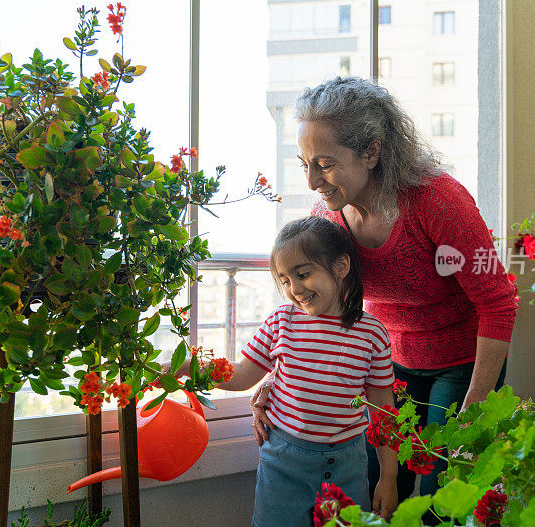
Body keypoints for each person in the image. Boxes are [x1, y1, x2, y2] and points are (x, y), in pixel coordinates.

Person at [250, 77, 518, 522]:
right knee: (379, 496)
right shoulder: (327, 215)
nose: (313, 180)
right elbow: (318, 309)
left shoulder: (439, 203)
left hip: (461, 361)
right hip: (386, 364)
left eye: (325, 163)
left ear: (371, 152)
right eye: (304, 164)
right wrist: (276, 378)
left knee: (438, 501)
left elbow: (498, 303)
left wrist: (474, 409)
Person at [171, 216, 399, 526]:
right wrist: (187, 366)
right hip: (284, 462)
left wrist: (389, 476)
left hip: (348, 464)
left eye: (302, 274)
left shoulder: (372, 333)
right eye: (285, 280)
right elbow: (240, 375)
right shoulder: (281, 321)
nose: (294, 289)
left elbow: (383, 407)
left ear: (342, 267)